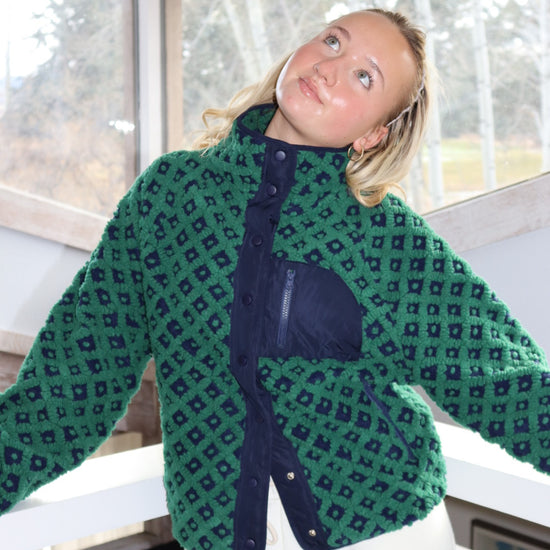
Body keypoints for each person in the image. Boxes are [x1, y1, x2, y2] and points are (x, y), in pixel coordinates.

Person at [0, 7, 547, 550]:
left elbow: (508, 385)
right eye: (332, 42)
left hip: (384, 534)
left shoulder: (386, 238)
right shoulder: (168, 199)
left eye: (364, 76)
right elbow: (71, 383)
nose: (330, 68)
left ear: (373, 135)